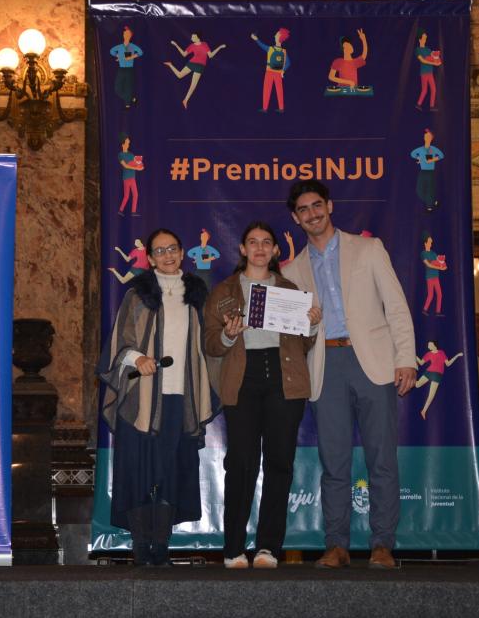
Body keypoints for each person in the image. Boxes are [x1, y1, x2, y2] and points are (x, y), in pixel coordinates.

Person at [281, 180, 416, 570]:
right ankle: (336, 545)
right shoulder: (293, 270)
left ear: (330, 206)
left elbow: (397, 307)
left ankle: (382, 545)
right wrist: (307, 325)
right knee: (334, 462)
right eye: (303, 209)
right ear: (295, 218)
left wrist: (405, 358)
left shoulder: (368, 248)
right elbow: (296, 336)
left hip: (373, 361)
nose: (312, 213)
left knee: (382, 460)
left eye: (317, 205)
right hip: (326, 368)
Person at [97, 228, 217, 566]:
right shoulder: (138, 295)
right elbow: (121, 341)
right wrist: (138, 358)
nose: (167, 255)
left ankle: (161, 546)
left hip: (181, 397)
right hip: (142, 400)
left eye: (173, 249)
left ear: (182, 253)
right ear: (149, 258)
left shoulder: (196, 295)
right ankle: (140, 546)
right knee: (139, 470)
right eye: (160, 251)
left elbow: (206, 346)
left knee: (169, 471)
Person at [204, 222, 321, 569]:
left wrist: (311, 325)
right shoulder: (223, 290)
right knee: (240, 463)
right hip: (242, 377)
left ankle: (269, 547)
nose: (259, 248)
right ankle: (233, 548)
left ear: (274, 250)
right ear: (242, 249)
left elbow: (303, 343)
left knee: (280, 463)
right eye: (252, 242)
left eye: (266, 242)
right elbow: (209, 342)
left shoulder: (290, 290)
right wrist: (227, 335)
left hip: (284, 378)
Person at [164, 32, 226, 109]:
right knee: (179, 75)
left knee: (193, 85)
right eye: (192, 37)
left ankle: (185, 100)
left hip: (200, 66)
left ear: (198, 37)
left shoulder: (204, 44)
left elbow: (210, 55)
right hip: (192, 63)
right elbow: (184, 54)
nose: (191, 38)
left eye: (193, 37)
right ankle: (170, 65)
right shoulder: (192, 46)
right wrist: (176, 45)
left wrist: (219, 47)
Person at [415, 341, 463, 420]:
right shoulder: (428, 354)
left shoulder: (441, 353)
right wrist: (414, 355)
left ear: (434, 345)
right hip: (429, 372)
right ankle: (406, 378)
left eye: (429, 344)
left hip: (437, 374)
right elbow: (421, 362)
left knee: (431, 395)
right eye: (428, 345)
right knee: (417, 385)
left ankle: (423, 411)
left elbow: (448, 364)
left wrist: (457, 355)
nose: (428, 346)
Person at [251, 28, 290, 113]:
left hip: (269, 72)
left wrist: (256, 39)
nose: (274, 35)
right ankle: (281, 108)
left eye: (276, 34)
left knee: (267, 89)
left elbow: (262, 45)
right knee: (279, 90)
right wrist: (283, 71)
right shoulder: (284, 52)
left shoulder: (270, 49)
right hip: (278, 73)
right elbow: (288, 63)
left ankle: (265, 108)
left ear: (279, 37)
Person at [410, 129, 444, 212]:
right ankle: (433, 201)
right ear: (424, 138)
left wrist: (432, 159)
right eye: (426, 136)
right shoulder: (420, 149)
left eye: (429, 136)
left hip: (430, 172)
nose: (427, 138)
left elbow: (441, 155)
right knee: (419, 190)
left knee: (430, 189)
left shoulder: (433, 149)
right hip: (423, 172)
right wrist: (418, 158)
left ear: (431, 138)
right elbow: (412, 153)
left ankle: (429, 207)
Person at [109, 26, 143, 109]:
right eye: (125, 34)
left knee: (128, 86)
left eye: (127, 34)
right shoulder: (120, 46)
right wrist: (118, 55)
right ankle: (131, 98)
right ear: (123, 35)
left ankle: (127, 104)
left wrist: (132, 57)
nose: (126, 35)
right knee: (117, 88)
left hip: (129, 69)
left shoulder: (132, 46)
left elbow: (140, 52)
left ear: (130, 36)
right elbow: (112, 51)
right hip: (121, 69)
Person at [420, 232, 446, 315]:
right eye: (429, 242)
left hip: (436, 277)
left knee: (439, 294)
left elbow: (439, 262)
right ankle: (425, 310)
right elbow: (429, 265)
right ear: (425, 243)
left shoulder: (434, 253)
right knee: (430, 295)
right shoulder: (423, 253)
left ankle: (438, 311)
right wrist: (440, 268)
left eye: (431, 242)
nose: (431, 244)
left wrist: (444, 266)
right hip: (430, 277)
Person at [118, 132, 142, 216]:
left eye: (129, 143)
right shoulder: (120, 155)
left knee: (135, 194)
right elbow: (125, 166)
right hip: (126, 178)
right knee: (126, 196)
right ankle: (121, 210)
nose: (128, 144)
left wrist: (140, 166)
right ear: (123, 144)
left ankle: (133, 211)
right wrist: (136, 168)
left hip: (132, 177)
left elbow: (136, 163)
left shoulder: (131, 154)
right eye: (127, 143)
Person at [415, 29, 439, 110]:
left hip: (430, 72)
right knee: (424, 90)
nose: (425, 40)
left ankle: (431, 106)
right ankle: (418, 104)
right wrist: (434, 63)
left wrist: (437, 59)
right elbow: (422, 60)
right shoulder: (418, 50)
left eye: (426, 38)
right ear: (420, 39)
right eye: (424, 38)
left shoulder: (428, 49)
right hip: (424, 73)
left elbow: (434, 57)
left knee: (433, 89)